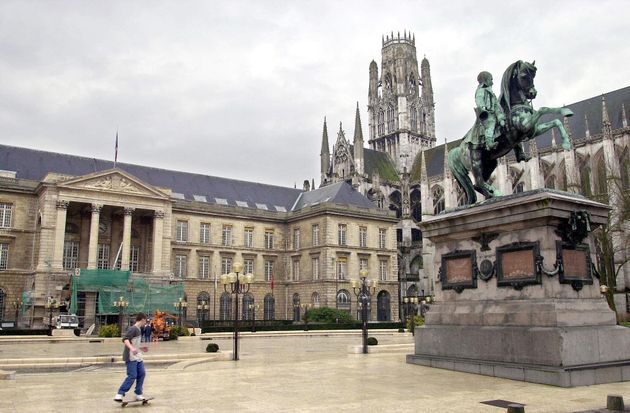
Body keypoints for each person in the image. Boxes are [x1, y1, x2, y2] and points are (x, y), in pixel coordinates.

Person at [114, 312, 149, 403]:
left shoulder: (138, 329)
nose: (145, 323)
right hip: (130, 356)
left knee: (142, 373)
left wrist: (141, 348)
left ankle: (138, 393)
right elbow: (125, 339)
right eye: (145, 321)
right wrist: (132, 348)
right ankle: (120, 393)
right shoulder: (133, 329)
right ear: (142, 320)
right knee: (132, 375)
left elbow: (134, 343)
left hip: (137, 356)